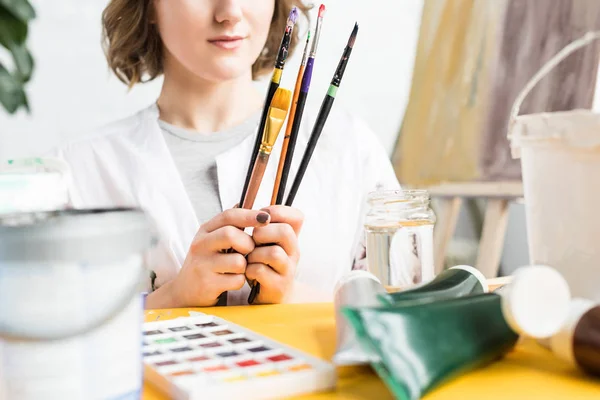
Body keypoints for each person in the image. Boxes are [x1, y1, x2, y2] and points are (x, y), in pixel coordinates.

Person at [50, 0, 400, 308]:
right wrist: (172, 297)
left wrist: (290, 296)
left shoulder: (350, 148)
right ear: (149, 6)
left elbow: (405, 323)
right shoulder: (78, 172)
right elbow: (42, 345)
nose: (229, 12)